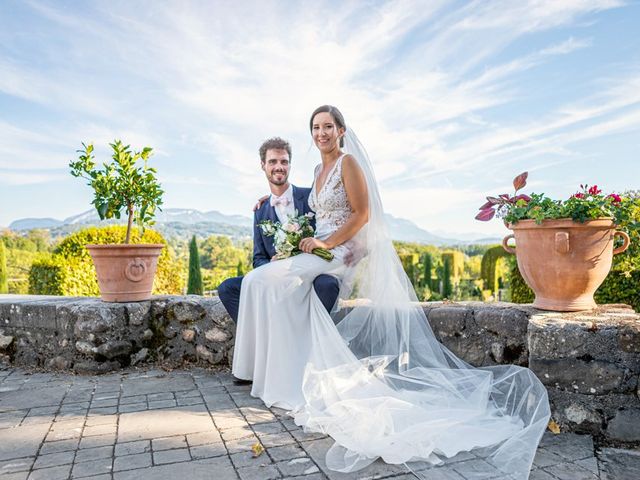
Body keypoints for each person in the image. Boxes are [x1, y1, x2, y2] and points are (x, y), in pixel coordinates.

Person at [233, 105, 550, 479]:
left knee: (264, 280)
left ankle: (286, 377)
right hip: (318, 247)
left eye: (328, 126)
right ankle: (268, 370)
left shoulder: (349, 164)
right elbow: (305, 205)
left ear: (341, 130)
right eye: (316, 127)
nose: (321, 133)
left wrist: (325, 243)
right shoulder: (318, 170)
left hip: (339, 251)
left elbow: (362, 214)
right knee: (261, 281)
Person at [217, 136, 340, 323]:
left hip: (309, 276)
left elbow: (331, 227)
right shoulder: (261, 210)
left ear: (290, 165)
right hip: (277, 280)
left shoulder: (311, 197)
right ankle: (261, 334)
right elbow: (258, 259)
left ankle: (309, 341)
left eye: (284, 162)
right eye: (272, 161)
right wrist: (273, 264)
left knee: (328, 284)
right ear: (263, 165)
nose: (279, 167)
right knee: (227, 288)